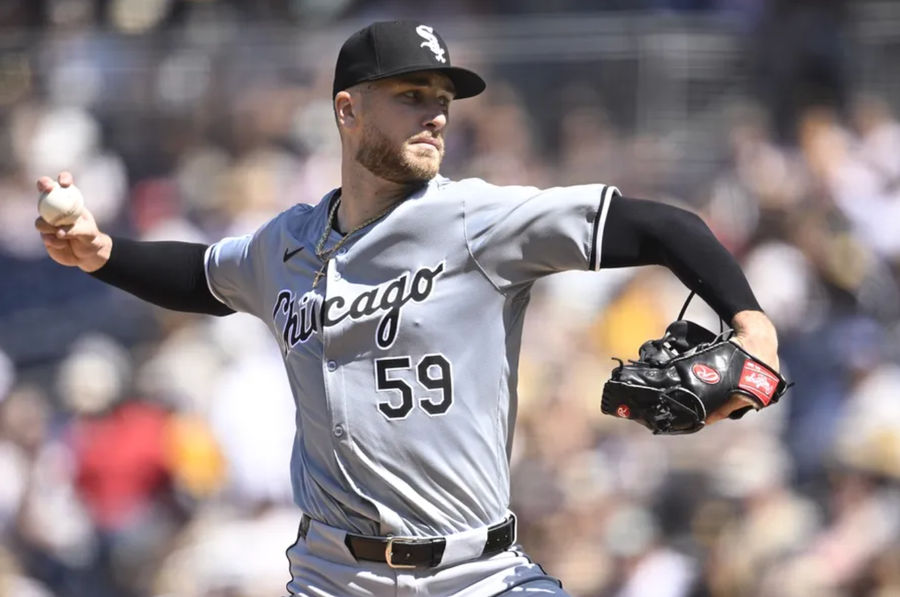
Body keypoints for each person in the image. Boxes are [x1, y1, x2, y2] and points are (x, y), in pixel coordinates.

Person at [34, 20, 780, 597]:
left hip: (476, 573)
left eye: (442, 101)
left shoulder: (477, 220)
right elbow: (201, 275)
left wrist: (754, 324)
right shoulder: (286, 244)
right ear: (347, 109)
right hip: (333, 576)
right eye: (412, 96)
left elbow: (660, 226)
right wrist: (101, 252)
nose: (436, 116)